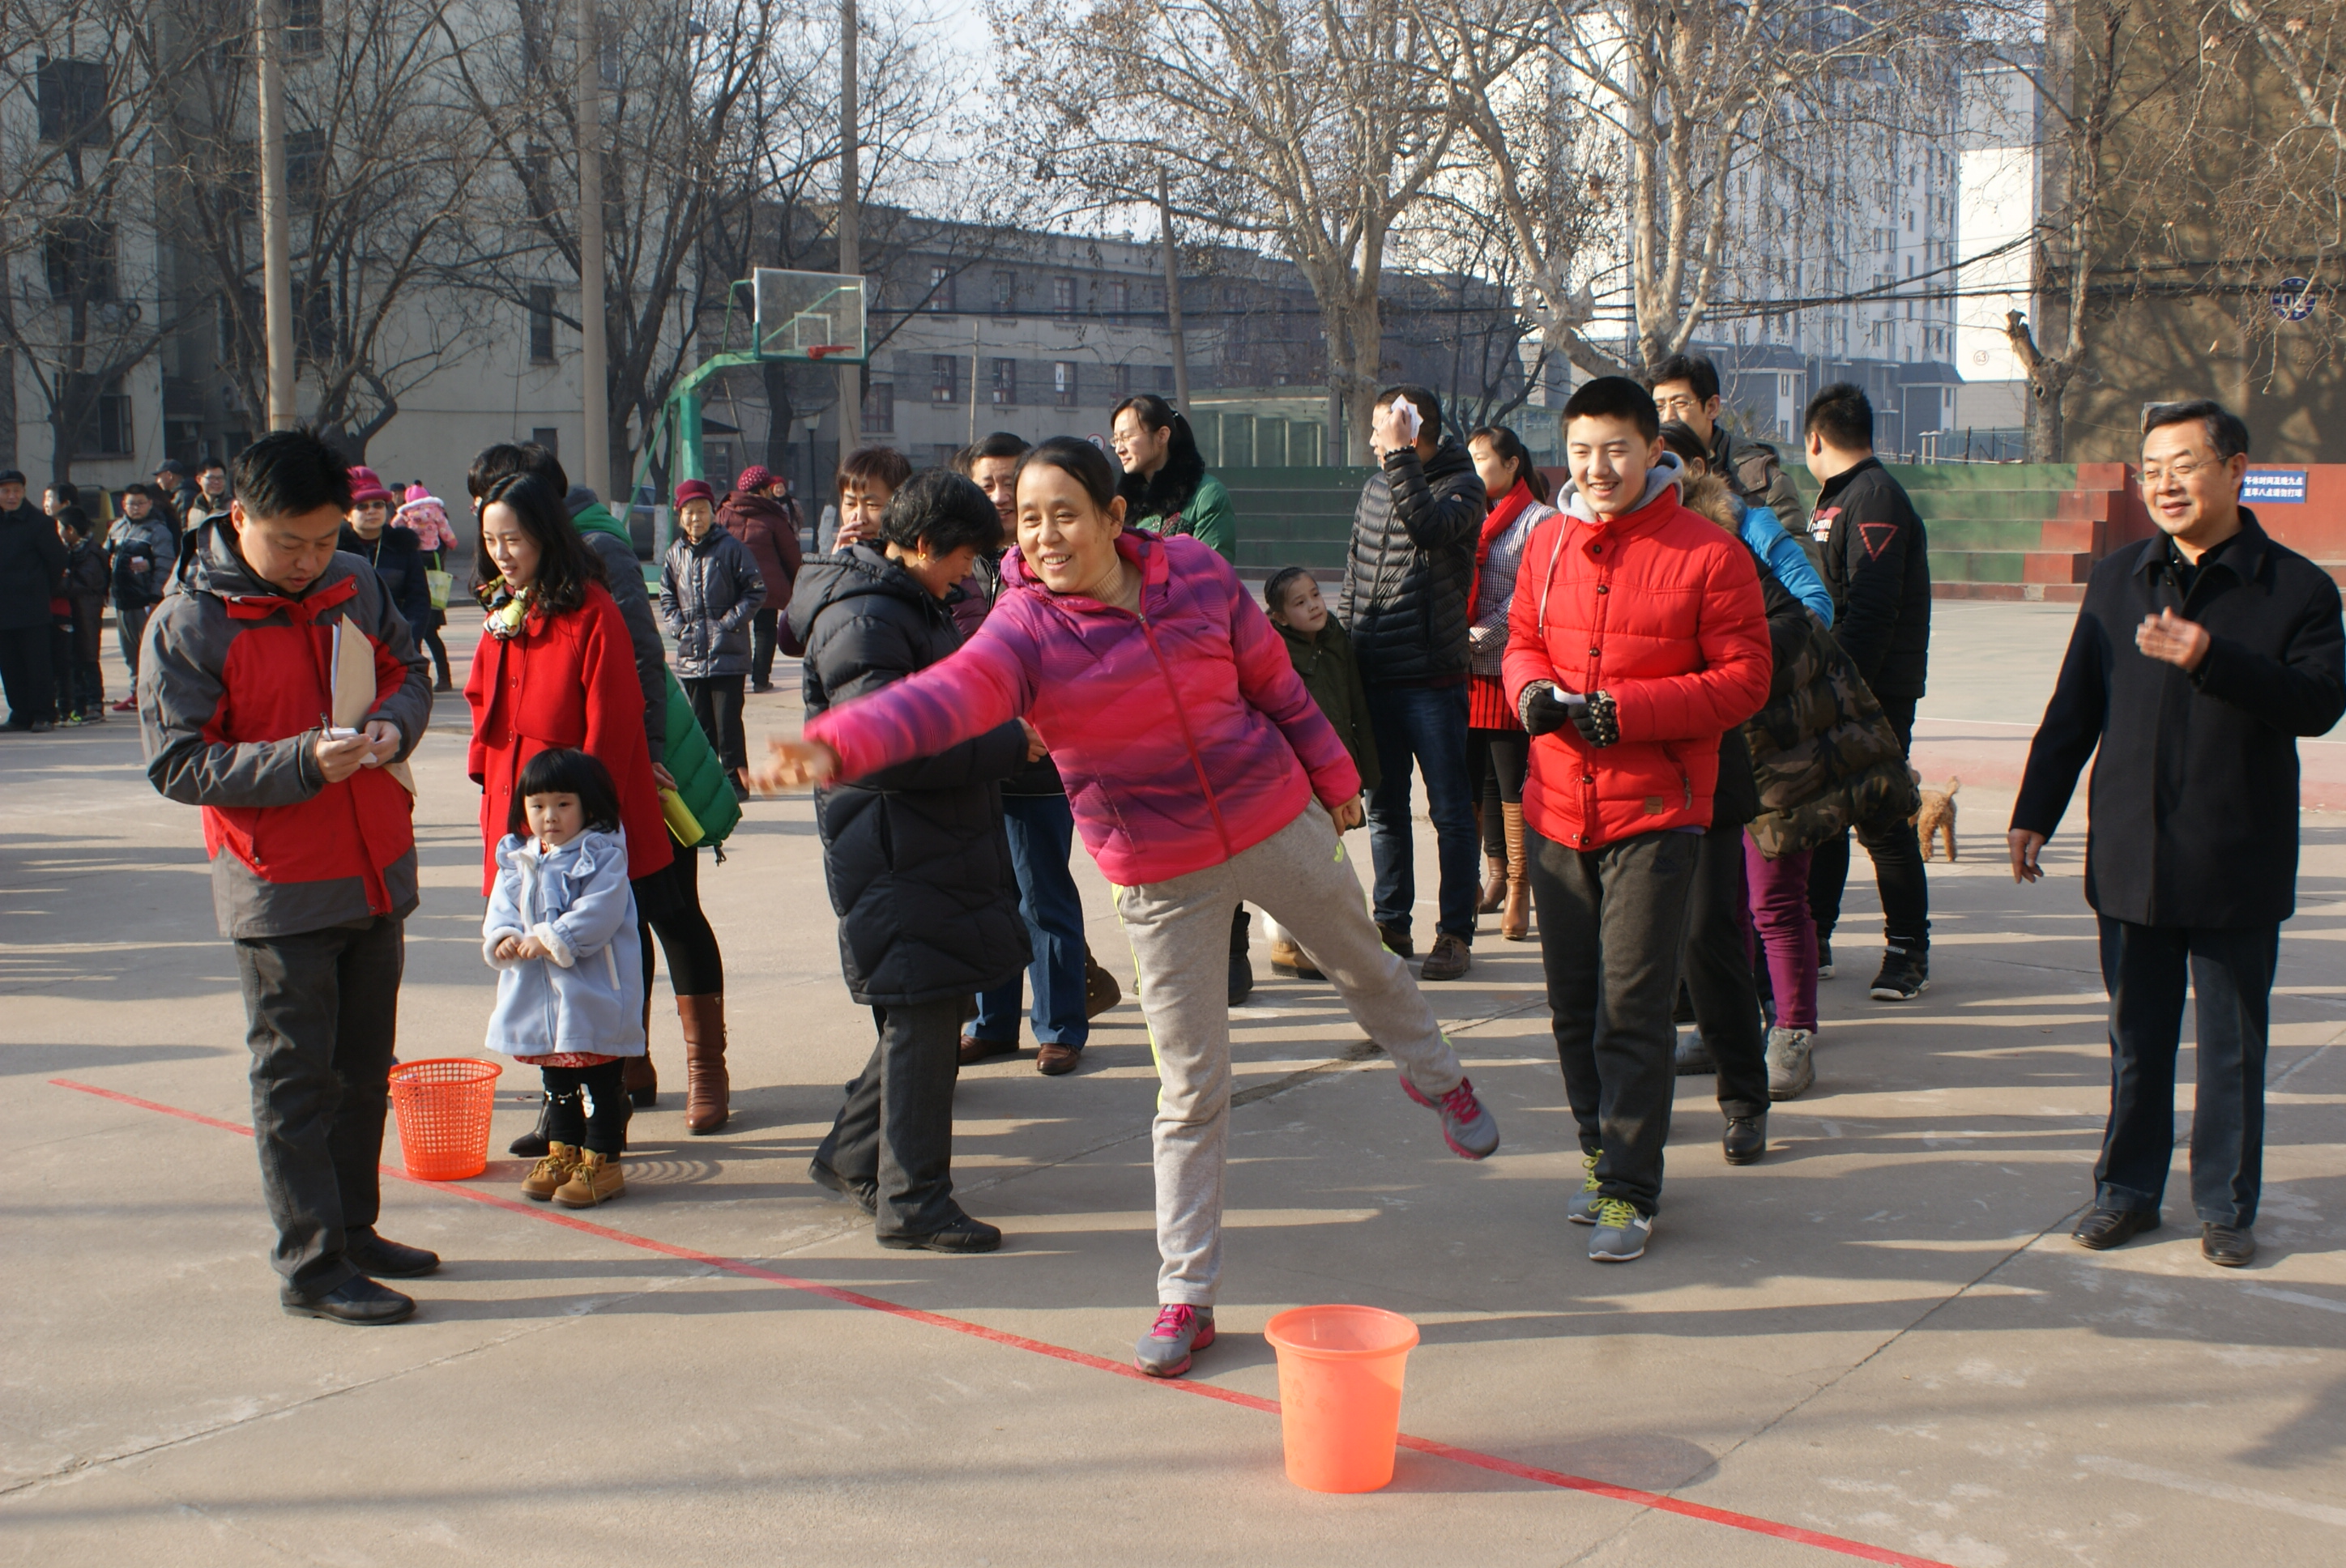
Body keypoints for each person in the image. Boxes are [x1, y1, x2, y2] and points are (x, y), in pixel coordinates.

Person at [753, 437, 1500, 1378]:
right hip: (1157, 871)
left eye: (1064, 512)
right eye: (1029, 519)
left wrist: (1335, 776)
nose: (1044, 534)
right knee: (1190, 1089)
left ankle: (1438, 1077)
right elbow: (942, 699)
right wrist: (837, 743)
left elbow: (1274, 682)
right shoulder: (1023, 627)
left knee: (1366, 965)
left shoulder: (1196, 574)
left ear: (1114, 517)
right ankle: (1186, 1295)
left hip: (1273, 818)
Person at [2012, 398, 2345, 1271]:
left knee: (2231, 1050)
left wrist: (2210, 657)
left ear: (2235, 470)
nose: (2163, 483)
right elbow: (2074, 705)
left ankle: (2226, 1206)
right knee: (2136, 1040)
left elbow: (2317, 705)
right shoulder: (2118, 578)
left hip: (2235, 855)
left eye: (2183, 465)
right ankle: (2125, 1191)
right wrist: (2034, 810)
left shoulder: (2297, 589)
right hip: (2132, 853)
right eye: (2151, 468)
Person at [139, 428, 438, 1324]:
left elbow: (409, 672)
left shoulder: (356, 582)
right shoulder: (190, 623)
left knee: (364, 1069)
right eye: (290, 543)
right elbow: (179, 763)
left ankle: (354, 1229)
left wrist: (394, 725)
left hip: (374, 866)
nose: (310, 560)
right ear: (238, 518)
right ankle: (312, 1264)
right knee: (296, 1081)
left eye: (325, 538)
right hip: (279, 886)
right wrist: (300, 761)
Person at [1505, 377, 1770, 1262]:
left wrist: (1630, 711)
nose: (1597, 468)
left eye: (1615, 449)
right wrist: (1528, 691)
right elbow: (1520, 640)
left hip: (1656, 813)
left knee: (1632, 1007)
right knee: (1573, 1006)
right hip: (1556, 809)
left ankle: (1630, 1187)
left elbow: (1746, 679)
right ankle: (1598, 1154)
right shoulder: (1546, 543)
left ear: (1653, 450)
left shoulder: (1709, 553)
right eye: (1581, 451)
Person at [786, 469, 1034, 1251]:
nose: (967, 574)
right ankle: (915, 1202)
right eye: (962, 558)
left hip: (926, 840)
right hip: (896, 848)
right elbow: (883, 745)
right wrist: (1004, 745)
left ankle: (853, 1155)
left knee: (925, 1011)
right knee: (923, 1015)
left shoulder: (902, 602)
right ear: (923, 544)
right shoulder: (864, 614)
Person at [463, 469, 743, 1137]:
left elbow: (618, 706)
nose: (502, 553)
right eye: (491, 539)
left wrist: (592, 808)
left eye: (514, 539)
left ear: (547, 529)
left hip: (594, 807)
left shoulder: (591, 607)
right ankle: (575, 1097)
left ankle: (702, 1070)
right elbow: (483, 710)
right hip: (527, 815)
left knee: (658, 921)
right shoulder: (504, 612)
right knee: (546, 951)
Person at [1658, 420, 1839, 1156]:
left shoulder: (1750, 527)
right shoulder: (1638, 536)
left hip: (1773, 738)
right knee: (1715, 914)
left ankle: (1790, 1033)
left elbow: (1816, 605)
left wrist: (1743, 661)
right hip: (1695, 749)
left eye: (1668, 458)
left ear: (1701, 466)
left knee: (1775, 897)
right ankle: (1719, 1027)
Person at [953, 432, 1111, 1072]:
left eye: (1008, 483)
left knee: (1042, 894)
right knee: (986, 895)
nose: (997, 495)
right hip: (972, 762)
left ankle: (1061, 1026)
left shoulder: (1055, 561)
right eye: (985, 483)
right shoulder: (957, 565)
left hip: (1040, 759)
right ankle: (993, 1023)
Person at [1338, 385, 1487, 981]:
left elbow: (1427, 527)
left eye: (1386, 427)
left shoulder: (1462, 486)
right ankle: (1391, 923)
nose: (1376, 440)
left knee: (1449, 810)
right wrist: (1345, 651)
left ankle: (1454, 933)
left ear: (1413, 428)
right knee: (1384, 808)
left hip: (1432, 677)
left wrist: (1401, 458)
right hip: (1375, 671)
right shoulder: (1377, 486)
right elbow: (1354, 575)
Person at [1801, 382, 1933, 999]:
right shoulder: (1838, 497)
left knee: (1882, 818)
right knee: (1824, 817)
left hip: (1871, 691)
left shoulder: (1875, 496)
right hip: (1835, 684)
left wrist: (1837, 689)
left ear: (1814, 439)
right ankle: (1814, 936)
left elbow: (1873, 610)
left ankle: (1908, 949)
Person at [484, 748, 646, 1209]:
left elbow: (601, 912)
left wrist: (553, 937)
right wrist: (503, 936)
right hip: (541, 999)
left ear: (588, 805)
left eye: (562, 804)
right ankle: (564, 1152)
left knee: (599, 1081)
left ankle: (603, 1161)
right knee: (556, 1080)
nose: (549, 816)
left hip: (592, 991)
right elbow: (501, 907)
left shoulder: (602, 855)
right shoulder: (520, 858)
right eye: (537, 805)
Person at [1260, 565, 1379, 980]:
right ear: (1278, 616)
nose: (1313, 606)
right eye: (1300, 602)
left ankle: (1312, 941)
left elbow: (1356, 704)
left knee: (1327, 857)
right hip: (1294, 776)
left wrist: (1365, 771)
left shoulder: (1335, 638)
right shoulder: (1272, 651)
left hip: (1335, 771)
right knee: (1301, 860)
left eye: (1315, 595)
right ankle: (1288, 941)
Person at [1462, 424, 1556, 944]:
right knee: (1476, 784)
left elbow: (1529, 596)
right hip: (1464, 673)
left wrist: (1475, 637)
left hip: (1508, 668)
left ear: (1512, 463)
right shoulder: (1467, 513)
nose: (1473, 468)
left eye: (1482, 459)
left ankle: (1520, 884)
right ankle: (1491, 875)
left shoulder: (1542, 520)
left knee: (1512, 782)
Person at [661, 478, 765, 790]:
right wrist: (679, 628)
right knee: (701, 728)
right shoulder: (674, 555)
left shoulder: (732, 549)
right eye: (689, 512)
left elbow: (755, 591)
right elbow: (667, 597)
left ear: (713, 514)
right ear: (680, 516)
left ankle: (736, 783)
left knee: (728, 724)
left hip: (728, 654)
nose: (696, 518)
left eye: (702, 511)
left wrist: (727, 623)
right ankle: (708, 786)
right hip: (692, 655)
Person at [1648, 352, 1803, 535]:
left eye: (1680, 403)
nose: (1667, 417)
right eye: (1659, 407)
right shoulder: (1641, 472)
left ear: (1712, 407)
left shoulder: (1760, 481)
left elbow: (1796, 549)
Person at [1111, 395, 1235, 561]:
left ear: (1162, 435)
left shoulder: (1206, 496)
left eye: (1126, 437)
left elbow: (1213, 571)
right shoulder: (1120, 506)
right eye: (1116, 440)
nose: (1119, 449)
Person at [716, 465, 804, 692]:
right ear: (764, 490)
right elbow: (790, 553)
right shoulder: (773, 516)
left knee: (734, 627)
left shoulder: (724, 512)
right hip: (766, 584)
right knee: (765, 629)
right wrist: (798, 580)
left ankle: (734, 677)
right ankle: (761, 680)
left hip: (732, 583)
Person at [339, 467, 433, 655]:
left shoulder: (404, 546)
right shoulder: (335, 549)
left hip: (396, 645)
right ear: (346, 514)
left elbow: (419, 599)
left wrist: (409, 640)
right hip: (346, 645)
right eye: (362, 506)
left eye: (378, 505)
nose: (372, 511)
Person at [0, 468, 66, 733]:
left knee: (37, 663)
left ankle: (43, 714)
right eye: (5, 491)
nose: (11, 496)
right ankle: (20, 714)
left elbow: (57, 560)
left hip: (32, 606)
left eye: (16, 491)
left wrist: (39, 588)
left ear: (24, 492)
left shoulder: (39, 522)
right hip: (3, 607)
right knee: (9, 664)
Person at [105, 486, 177, 712]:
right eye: (131, 503)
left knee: (148, 650)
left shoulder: (158, 531)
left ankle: (154, 694)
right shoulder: (117, 528)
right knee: (129, 652)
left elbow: (166, 564)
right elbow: (104, 556)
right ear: (123, 505)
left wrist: (156, 595)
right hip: (121, 599)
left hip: (144, 600)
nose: (135, 508)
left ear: (149, 504)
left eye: (140, 503)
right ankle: (136, 692)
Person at [391, 484, 459, 691]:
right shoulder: (437, 517)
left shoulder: (406, 519)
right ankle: (443, 677)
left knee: (416, 636)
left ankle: (418, 679)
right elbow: (448, 538)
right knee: (430, 635)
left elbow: (392, 530)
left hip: (413, 595)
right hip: (434, 591)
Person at [54, 507, 109, 722]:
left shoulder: (92, 553)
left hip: (87, 611)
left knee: (87, 657)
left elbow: (80, 584)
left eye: (60, 528)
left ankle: (94, 704)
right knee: (75, 659)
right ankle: (80, 706)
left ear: (70, 529)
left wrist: (60, 580)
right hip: (76, 611)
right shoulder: (73, 550)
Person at [821, 445, 910, 556]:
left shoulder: (920, 564)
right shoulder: (837, 560)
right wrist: (838, 562)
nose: (860, 518)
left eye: (872, 505)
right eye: (850, 504)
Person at [181, 460, 235, 565]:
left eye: (220, 478)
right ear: (199, 479)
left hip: (228, 566)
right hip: (201, 566)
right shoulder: (193, 511)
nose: (216, 482)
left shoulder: (233, 507)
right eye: (211, 478)